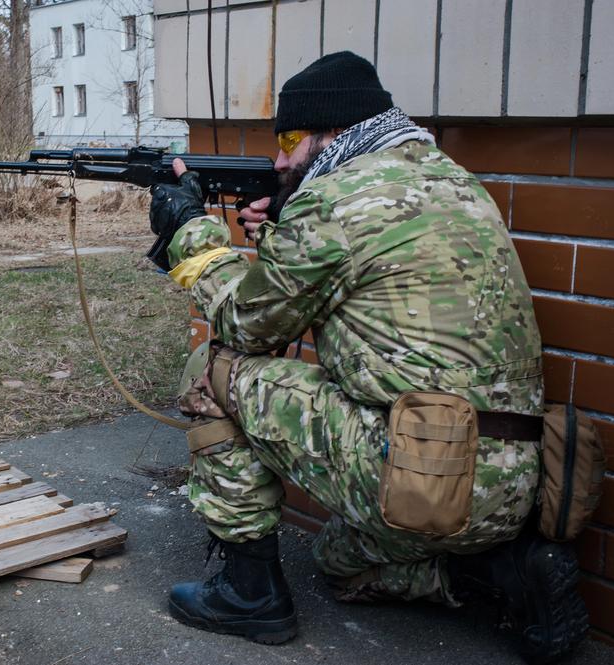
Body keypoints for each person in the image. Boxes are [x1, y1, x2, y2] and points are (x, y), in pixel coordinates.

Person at [147, 51, 588, 663]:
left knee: (212, 369)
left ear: (333, 134)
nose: (279, 160)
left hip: (422, 480)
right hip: (514, 491)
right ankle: (501, 573)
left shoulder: (332, 201)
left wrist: (190, 232)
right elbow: (373, 276)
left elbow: (248, 325)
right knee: (337, 564)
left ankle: (248, 595)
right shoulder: (452, 179)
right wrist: (283, 229)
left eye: (291, 140)